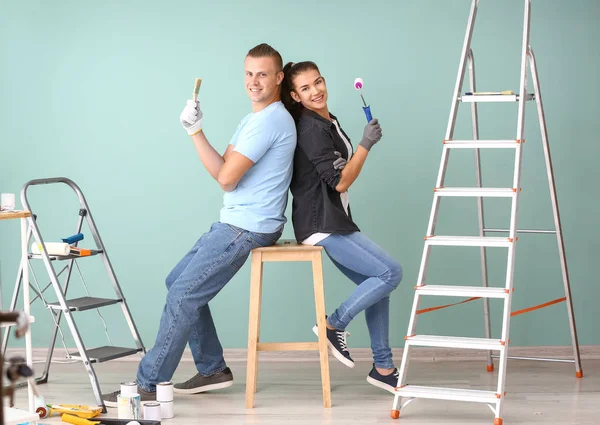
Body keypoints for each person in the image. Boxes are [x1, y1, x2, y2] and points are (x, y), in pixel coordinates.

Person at [102, 43, 296, 405]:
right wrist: (195, 130)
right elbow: (223, 168)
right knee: (177, 282)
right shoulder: (254, 119)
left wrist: (195, 133)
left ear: (279, 77)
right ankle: (212, 368)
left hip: (248, 225)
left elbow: (226, 179)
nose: (254, 81)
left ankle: (148, 385)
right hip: (238, 220)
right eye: (249, 73)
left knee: (182, 294)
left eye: (263, 74)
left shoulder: (270, 119)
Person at [281, 61, 403, 393]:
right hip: (322, 223)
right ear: (295, 95)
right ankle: (333, 323)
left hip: (334, 218)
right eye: (305, 88)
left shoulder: (326, 121)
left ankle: (384, 367)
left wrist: (359, 147)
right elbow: (339, 182)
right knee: (390, 273)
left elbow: (341, 175)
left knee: (376, 285)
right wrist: (366, 144)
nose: (315, 90)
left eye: (318, 82)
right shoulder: (311, 129)